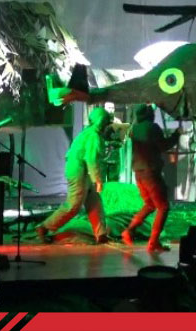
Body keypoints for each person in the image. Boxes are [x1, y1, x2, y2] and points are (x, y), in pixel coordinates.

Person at [36, 107, 112, 244]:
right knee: (73, 205)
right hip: (80, 170)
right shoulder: (94, 136)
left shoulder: (87, 133)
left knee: (94, 202)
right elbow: (92, 159)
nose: (108, 126)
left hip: (79, 169)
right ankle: (44, 227)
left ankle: (101, 234)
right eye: (107, 122)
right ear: (102, 122)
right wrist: (98, 180)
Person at [121, 104, 181, 252]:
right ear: (150, 115)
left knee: (150, 204)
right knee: (163, 207)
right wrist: (176, 135)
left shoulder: (134, 129)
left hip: (139, 172)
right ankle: (153, 242)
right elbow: (163, 146)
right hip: (150, 172)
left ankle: (129, 231)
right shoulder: (152, 128)